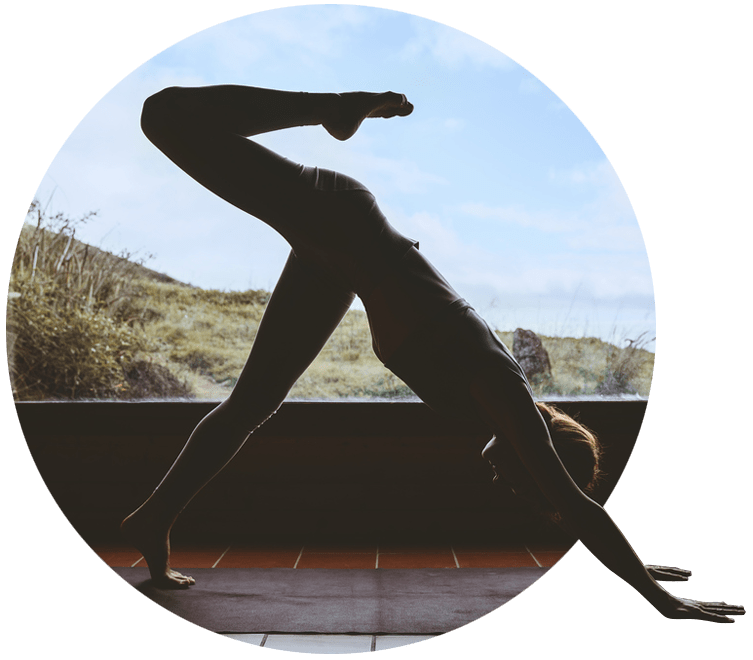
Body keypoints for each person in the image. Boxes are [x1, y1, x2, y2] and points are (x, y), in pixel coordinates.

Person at [122, 84, 744, 623]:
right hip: (343, 222)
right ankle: (332, 107)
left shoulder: (492, 411)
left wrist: (626, 561)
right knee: (164, 116)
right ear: (539, 458)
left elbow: (574, 511)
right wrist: (656, 599)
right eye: (527, 486)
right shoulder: (507, 396)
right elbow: (578, 508)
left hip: (337, 261)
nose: (506, 485)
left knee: (253, 403)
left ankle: (154, 519)